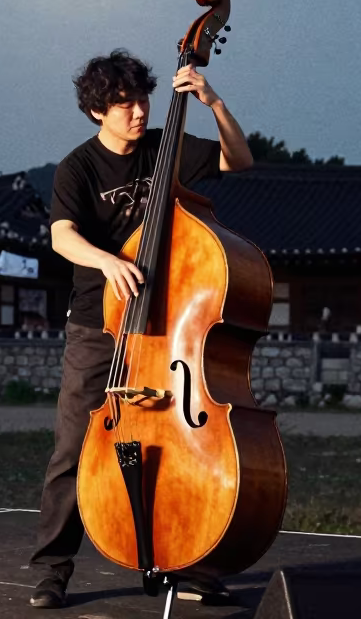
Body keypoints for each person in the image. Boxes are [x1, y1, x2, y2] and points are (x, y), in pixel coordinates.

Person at [28, 49, 254, 609]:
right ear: (96, 113)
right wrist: (107, 261)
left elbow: (240, 161)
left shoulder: (166, 147)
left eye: (142, 100)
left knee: (181, 443)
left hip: (168, 323)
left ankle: (192, 560)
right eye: (123, 103)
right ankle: (53, 569)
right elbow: (62, 236)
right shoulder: (77, 167)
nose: (137, 112)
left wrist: (213, 102)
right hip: (99, 326)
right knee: (74, 451)